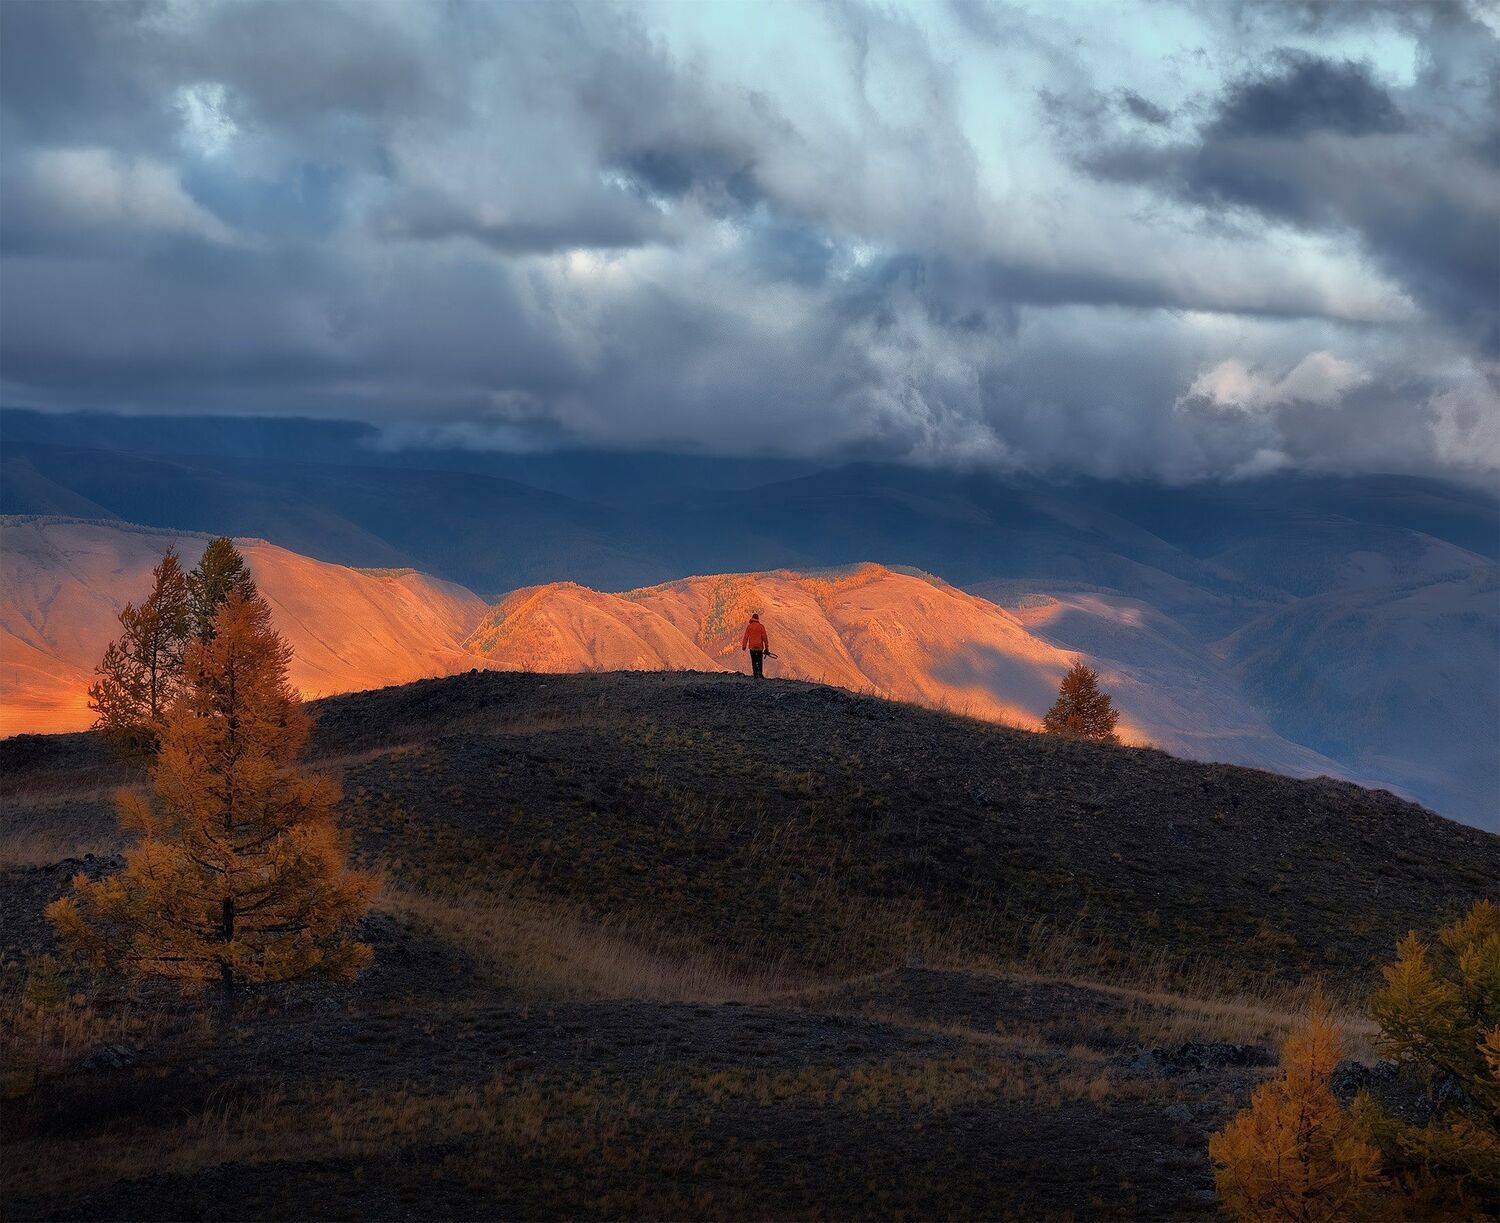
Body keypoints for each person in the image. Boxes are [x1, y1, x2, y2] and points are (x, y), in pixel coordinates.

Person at [741, 612, 769, 679]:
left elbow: (746, 637)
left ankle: (755, 674)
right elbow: (764, 637)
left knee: (754, 660)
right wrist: (766, 647)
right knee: (759, 660)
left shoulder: (749, 627)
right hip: (759, 647)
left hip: (752, 647)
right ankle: (760, 673)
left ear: (752, 618)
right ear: (757, 619)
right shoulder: (761, 626)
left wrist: (744, 646)